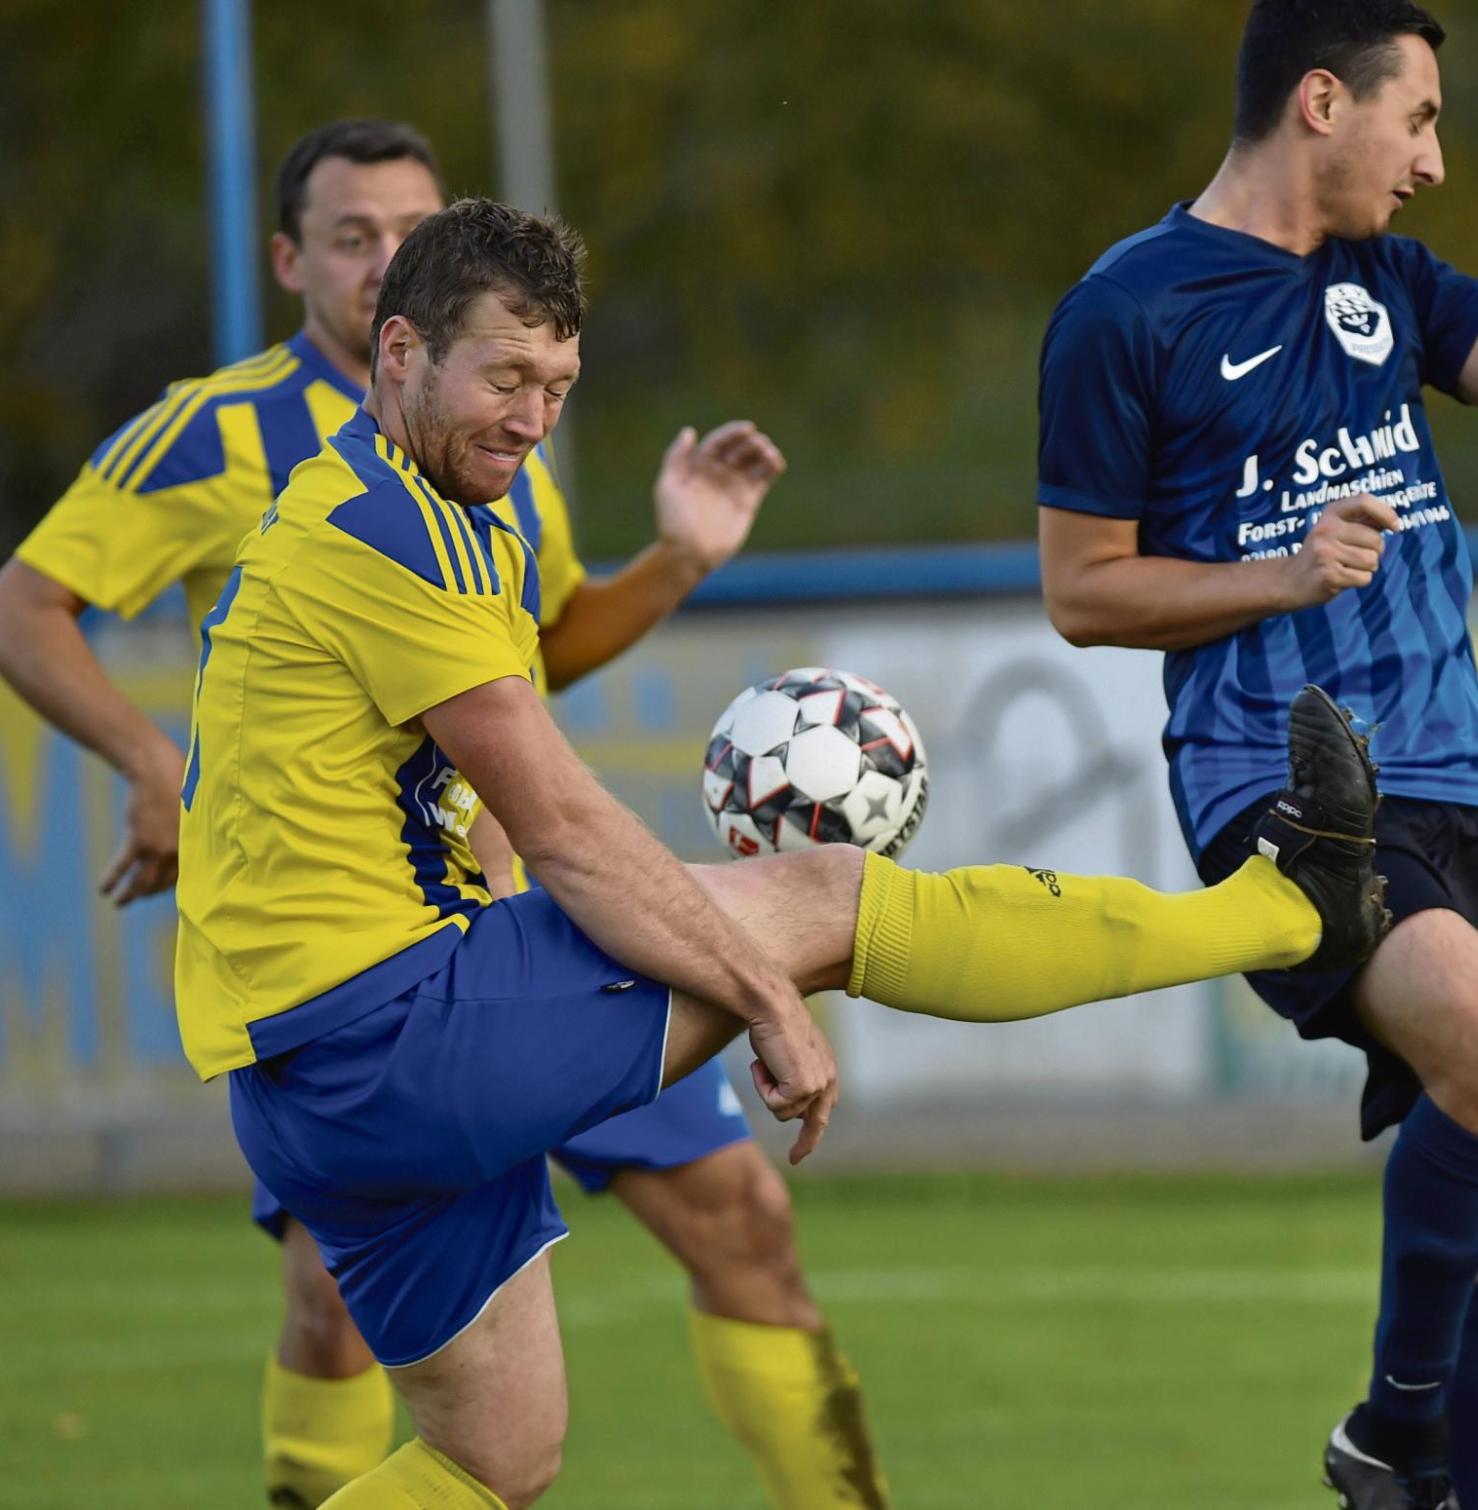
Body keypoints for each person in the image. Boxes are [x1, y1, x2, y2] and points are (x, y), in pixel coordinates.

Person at [177, 193, 1388, 1508]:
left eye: (559, 383)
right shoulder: (388, 529)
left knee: (495, 1456)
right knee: (828, 898)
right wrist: (769, 989)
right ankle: (1292, 909)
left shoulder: (399, 501)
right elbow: (568, 827)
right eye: (506, 376)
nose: (533, 416)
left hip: (310, 1079)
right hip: (388, 1030)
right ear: (399, 353)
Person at [0, 119, 888, 1510]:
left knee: (744, 1221)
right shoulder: (219, 432)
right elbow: (27, 602)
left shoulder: (499, 433)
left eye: (405, 230)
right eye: (351, 236)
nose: (379, 258)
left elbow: (533, 656)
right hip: (372, 976)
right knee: (336, 1308)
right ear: (293, 260)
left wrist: (676, 559)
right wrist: (148, 759)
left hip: (540, 923)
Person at [1033, 5, 1478, 1507]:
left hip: (1465, 782)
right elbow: (1084, 588)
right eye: (1417, 122)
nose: (1431, 164)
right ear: (1320, 102)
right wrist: (1277, 576)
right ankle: (1396, 1429)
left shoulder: (1390, 286)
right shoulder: (1125, 310)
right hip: (1283, 781)